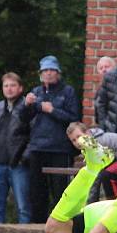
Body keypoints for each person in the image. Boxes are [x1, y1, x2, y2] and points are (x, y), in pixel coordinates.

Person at [25, 55, 81, 223]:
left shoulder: (68, 91)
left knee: (60, 191)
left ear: (58, 73)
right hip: (37, 148)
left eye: (52, 70)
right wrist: (26, 105)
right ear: (40, 74)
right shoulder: (35, 92)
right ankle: (37, 226)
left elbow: (74, 118)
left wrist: (52, 110)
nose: (48, 74)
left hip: (59, 149)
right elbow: (23, 119)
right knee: (37, 192)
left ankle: (60, 224)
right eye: (45, 70)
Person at [0, 72, 35, 224]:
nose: (9, 89)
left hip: (18, 165)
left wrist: (24, 157)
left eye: (13, 85)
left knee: (23, 206)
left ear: (20, 88)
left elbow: (34, 136)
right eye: (6, 86)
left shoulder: (27, 107)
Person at [66, 122, 117, 201]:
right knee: (105, 174)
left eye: (79, 136)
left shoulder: (96, 144)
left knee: (107, 175)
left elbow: (95, 176)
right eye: (73, 140)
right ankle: (110, 202)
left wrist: (91, 202)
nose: (77, 142)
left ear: (87, 132)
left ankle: (115, 204)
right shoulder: (88, 146)